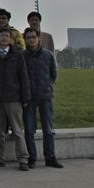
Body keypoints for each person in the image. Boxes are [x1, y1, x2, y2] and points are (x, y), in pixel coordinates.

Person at [0, 27, 31, 171]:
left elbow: (24, 77)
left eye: (7, 35)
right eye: (2, 35)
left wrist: (25, 97)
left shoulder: (17, 55)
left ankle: (23, 159)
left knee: (18, 130)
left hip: (13, 97)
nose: (4, 38)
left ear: (10, 38)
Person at [22, 27, 63, 169]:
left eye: (33, 37)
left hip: (45, 96)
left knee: (48, 129)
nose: (31, 40)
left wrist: (48, 86)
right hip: (29, 97)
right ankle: (31, 157)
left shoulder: (48, 55)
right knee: (29, 129)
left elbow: (53, 73)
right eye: (28, 37)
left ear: (38, 38)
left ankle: (50, 157)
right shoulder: (22, 56)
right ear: (24, 39)